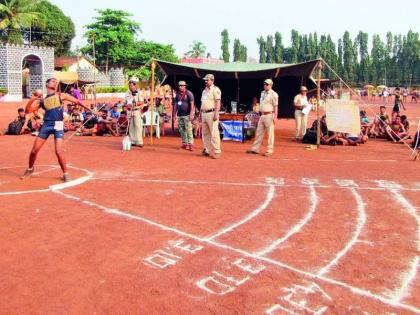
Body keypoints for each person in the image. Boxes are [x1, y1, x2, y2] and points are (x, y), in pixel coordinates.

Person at [21, 78, 90, 182]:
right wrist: (32, 98)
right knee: (34, 151)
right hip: (47, 124)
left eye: (56, 81)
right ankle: (30, 169)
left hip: (58, 124)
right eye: (53, 81)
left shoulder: (61, 95)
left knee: (58, 151)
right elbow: (27, 111)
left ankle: (65, 173)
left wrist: (92, 110)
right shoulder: (42, 100)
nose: (55, 82)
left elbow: (77, 101)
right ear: (47, 84)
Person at [246, 79, 279, 157]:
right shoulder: (262, 93)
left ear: (271, 85)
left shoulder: (274, 94)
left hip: (269, 115)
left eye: (267, 84)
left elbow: (276, 106)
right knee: (259, 133)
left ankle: (269, 150)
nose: (265, 85)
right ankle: (255, 149)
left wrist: (275, 117)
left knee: (270, 134)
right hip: (262, 115)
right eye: (264, 84)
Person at [200, 74, 222, 159]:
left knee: (214, 133)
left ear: (212, 80)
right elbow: (203, 102)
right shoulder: (204, 91)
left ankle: (217, 151)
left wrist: (216, 113)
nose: (205, 81)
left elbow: (218, 102)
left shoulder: (215, 89)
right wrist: (200, 113)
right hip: (204, 113)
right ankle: (207, 150)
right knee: (205, 133)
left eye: (207, 80)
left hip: (212, 113)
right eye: (205, 80)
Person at [174, 81, 195, 151]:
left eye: (181, 85)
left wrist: (191, 114)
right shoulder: (177, 95)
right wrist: (174, 114)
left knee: (188, 129)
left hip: (187, 115)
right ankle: (184, 143)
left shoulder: (189, 94)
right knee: (181, 130)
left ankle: (190, 144)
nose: (180, 87)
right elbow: (175, 105)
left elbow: (192, 104)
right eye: (179, 85)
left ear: (185, 86)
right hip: (179, 115)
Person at [125, 79, 146, 147]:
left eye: (131, 86)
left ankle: (139, 141)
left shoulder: (139, 92)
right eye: (129, 85)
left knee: (138, 126)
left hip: (136, 110)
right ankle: (132, 141)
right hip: (129, 111)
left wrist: (136, 103)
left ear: (134, 85)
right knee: (131, 127)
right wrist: (126, 105)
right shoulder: (127, 93)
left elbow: (142, 102)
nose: (130, 87)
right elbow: (125, 102)